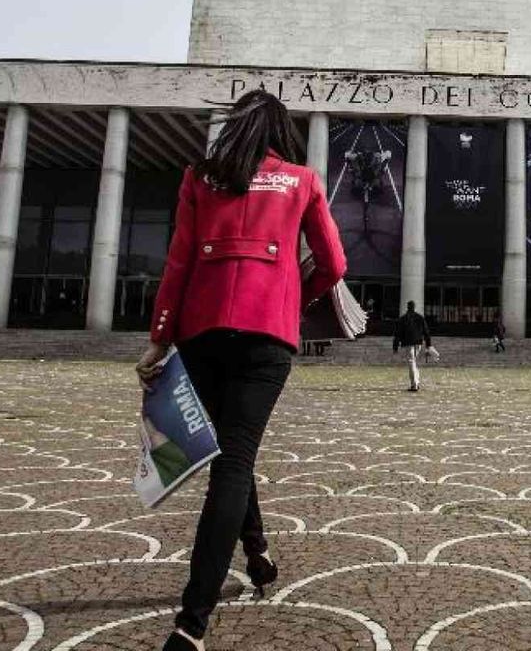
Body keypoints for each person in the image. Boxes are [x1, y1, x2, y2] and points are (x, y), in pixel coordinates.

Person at [135, 89, 347, 651]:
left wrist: (159, 339)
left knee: (229, 454)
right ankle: (191, 622)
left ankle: (256, 558)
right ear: (282, 134)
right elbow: (335, 262)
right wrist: (295, 297)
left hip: (202, 336)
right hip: (266, 340)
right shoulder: (301, 180)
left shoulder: (200, 179)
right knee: (234, 458)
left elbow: (178, 261)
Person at [394, 301, 431, 391]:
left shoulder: (402, 319)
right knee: (413, 362)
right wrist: (428, 344)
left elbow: (398, 334)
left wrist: (395, 346)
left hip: (408, 343)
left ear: (407, 307)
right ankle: (416, 382)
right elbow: (426, 332)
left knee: (411, 361)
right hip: (418, 343)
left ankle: (414, 384)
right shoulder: (420, 318)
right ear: (414, 307)